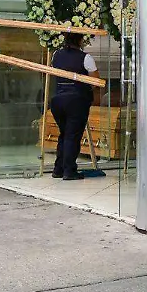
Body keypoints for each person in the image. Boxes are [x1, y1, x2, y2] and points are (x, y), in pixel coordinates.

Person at [49, 33, 100, 181]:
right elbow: (95, 81)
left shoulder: (56, 55)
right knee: (72, 136)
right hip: (76, 101)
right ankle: (69, 170)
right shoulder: (86, 58)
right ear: (80, 40)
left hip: (58, 100)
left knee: (64, 134)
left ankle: (58, 168)